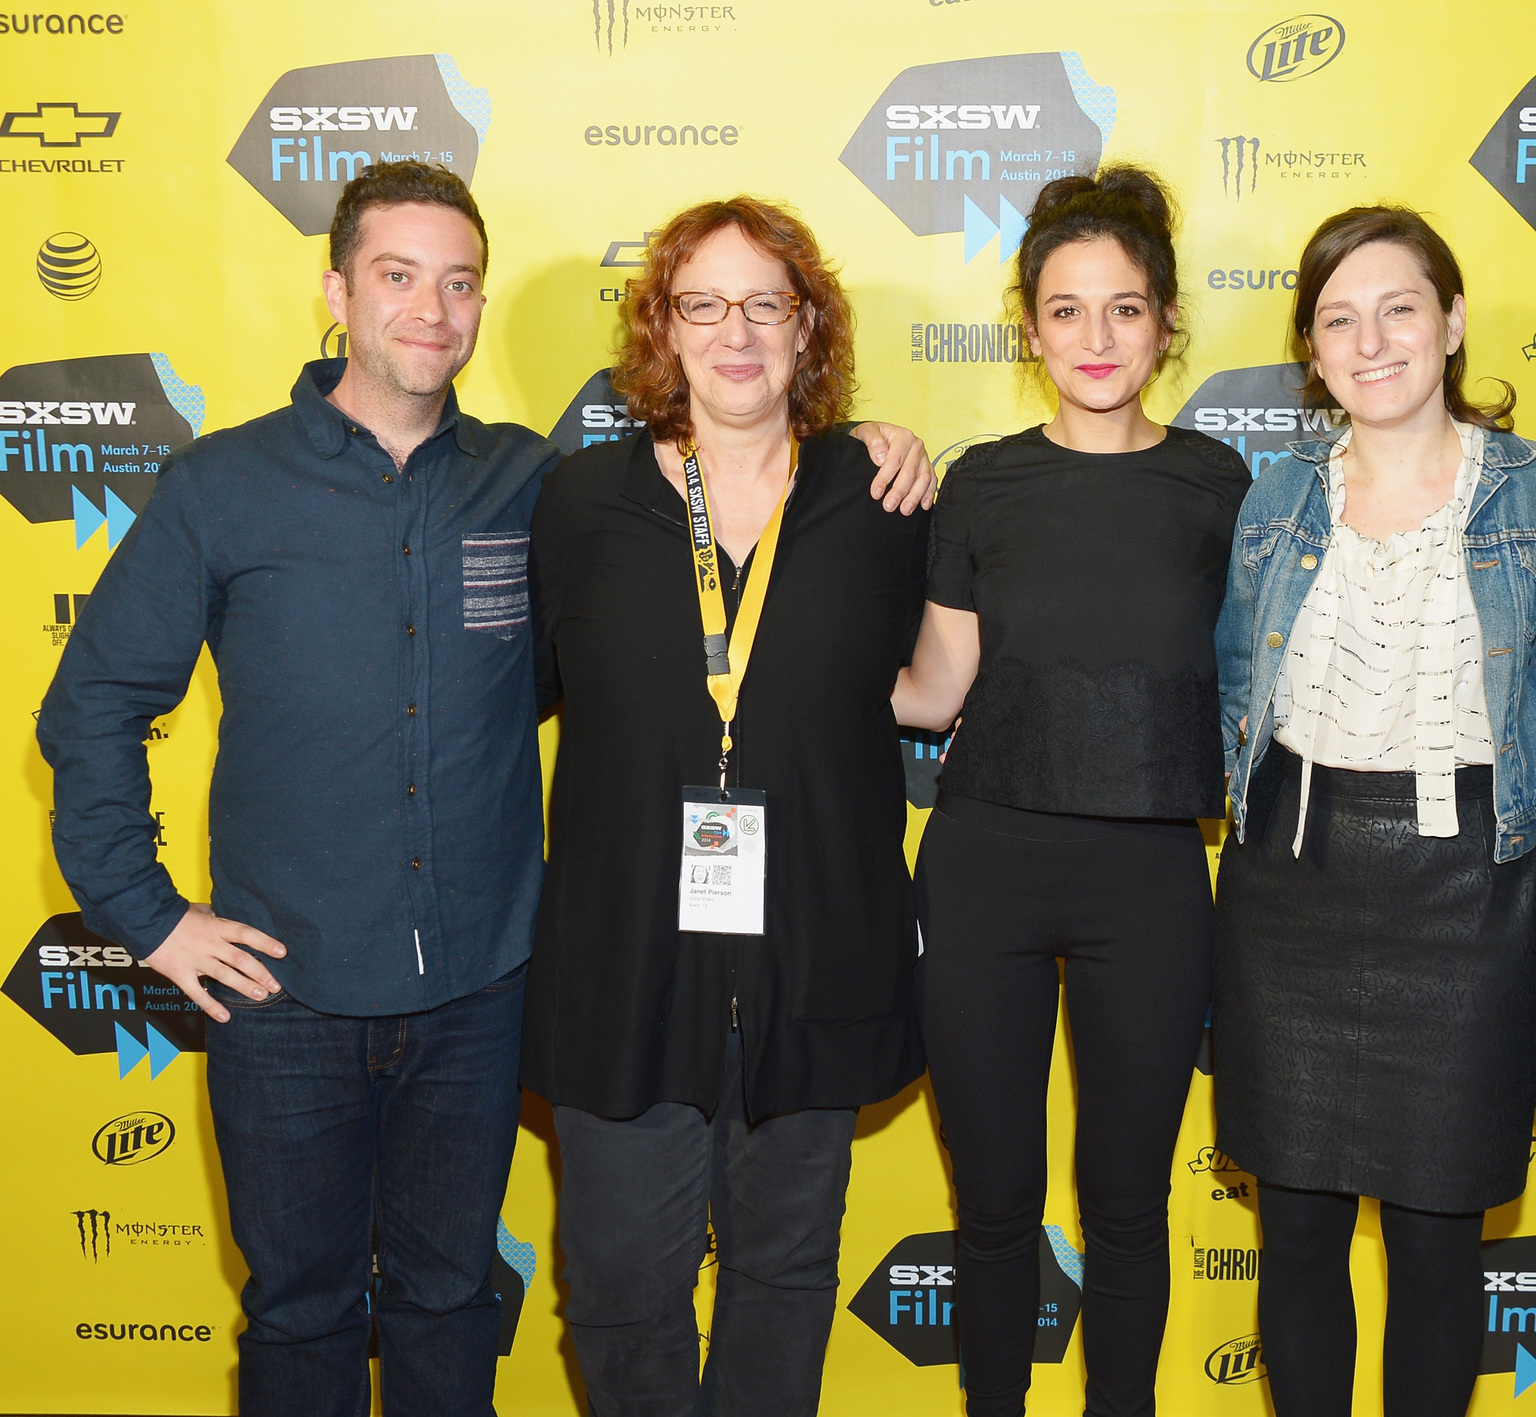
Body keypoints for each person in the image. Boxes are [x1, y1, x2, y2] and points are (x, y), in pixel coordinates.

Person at [35, 163, 932, 1417]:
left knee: (451, 1296)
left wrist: (875, 442)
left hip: (478, 990)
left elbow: (753, 585)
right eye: (398, 277)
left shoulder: (533, 484)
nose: (430, 309)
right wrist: (148, 914)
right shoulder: (224, 487)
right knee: (298, 1312)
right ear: (337, 289)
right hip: (285, 986)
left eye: (458, 282)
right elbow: (89, 712)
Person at [518, 196, 935, 1417]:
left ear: (808, 328)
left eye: (766, 302)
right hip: (623, 965)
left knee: (786, 1272)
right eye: (704, 303)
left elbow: (936, 685)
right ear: (663, 326)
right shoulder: (580, 502)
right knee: (617, 1287)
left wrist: (896, 440)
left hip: (811, 961)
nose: (736, 331)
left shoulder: (884, 495)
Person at [1210, 206, 1536, 1417]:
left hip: (1471, 893)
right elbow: (1227, 680)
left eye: (1398, 308)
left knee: (1435, 1244)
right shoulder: (1274, 497)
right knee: (1299, 1236)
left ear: (1453, 319)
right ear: (1311, 352)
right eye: (1337, 319)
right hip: (1288, 883)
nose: (1370, 341)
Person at [892, 167, 1250, 1417]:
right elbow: (935, 690)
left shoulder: (1221, 484)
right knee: (992, 1208)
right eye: (1065, 311)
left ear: (1163, 323)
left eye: (1125, 309)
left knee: (1128, 1208)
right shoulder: (981, 480)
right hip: (984, 868)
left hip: (1148, 883)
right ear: (1027, 325)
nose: (1095, 340)